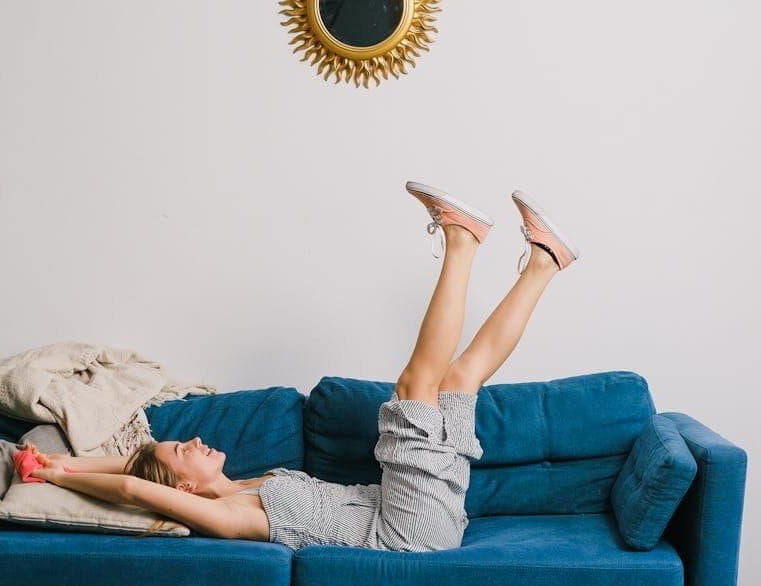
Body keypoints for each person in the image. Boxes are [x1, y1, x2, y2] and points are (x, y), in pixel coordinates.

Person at [30, 181, 580, 551]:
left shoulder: (243, 482)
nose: (193, 440)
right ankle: (461, 241)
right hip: (406, 531)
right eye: (182, 452)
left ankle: (544, 261)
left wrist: (56, 468)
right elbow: (134, 489)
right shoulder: (232, 516)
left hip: (417, 510)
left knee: (460, 379)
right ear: (184, 491)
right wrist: (58, 476)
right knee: (417, 384)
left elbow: (131, 468)